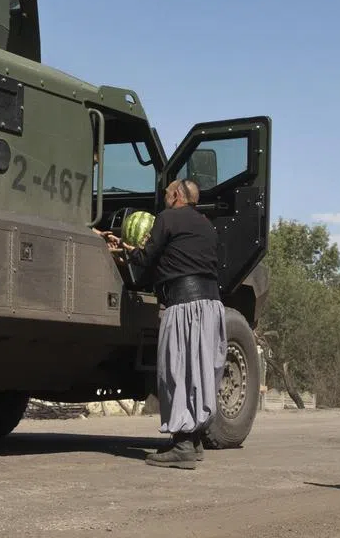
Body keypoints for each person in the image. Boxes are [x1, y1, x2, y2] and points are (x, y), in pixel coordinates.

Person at [105, 178, 226, 469]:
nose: (163, 198)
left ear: (175, 195)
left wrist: (121, 250)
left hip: (184, 304)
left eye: (166, 193)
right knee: (199, 373)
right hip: (211, 306)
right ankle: (193, 441)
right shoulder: (207, 226)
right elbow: (177, 258)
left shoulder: (167, 218)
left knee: (177, 371)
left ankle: (182, 445)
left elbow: (146, 259)